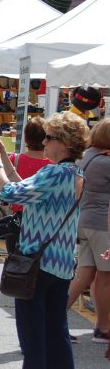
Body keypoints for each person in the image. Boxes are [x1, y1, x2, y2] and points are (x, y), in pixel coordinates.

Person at [0, 112, 90, 368]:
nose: (44, 143)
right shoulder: (74, 173)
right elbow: (29, 190)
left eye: (49, 138)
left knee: (33, 342)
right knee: (57, 335)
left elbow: (11, 193)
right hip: (62, 264)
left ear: (64, 142)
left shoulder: (55, 173)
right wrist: (6, 163)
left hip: (37, 264)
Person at [66, 118, 110, 342]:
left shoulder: (86, 157)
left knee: (84, 274)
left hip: (83, 220)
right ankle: (103, 328)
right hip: (103, 224)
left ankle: (55, 319)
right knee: (104, 277)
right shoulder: (105, 162)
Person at [0, 117, 51, 254]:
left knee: (16, 267)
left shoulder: (14, 160)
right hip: (44, 221)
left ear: (25, 138)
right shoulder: (54, 166)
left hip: (17, 221)